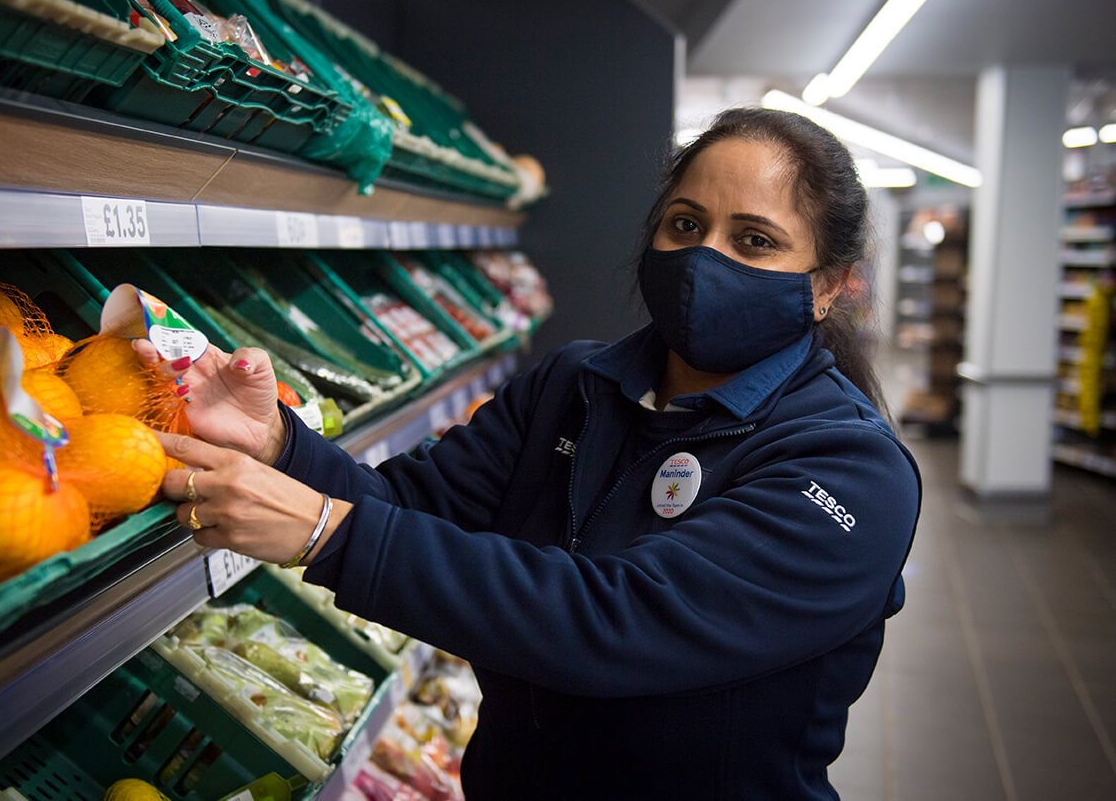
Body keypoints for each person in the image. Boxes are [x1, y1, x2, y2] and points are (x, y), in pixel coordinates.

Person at [141, 107, 922, 799]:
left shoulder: (848, 472)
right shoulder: (575, 385)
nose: (704, 260)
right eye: (685, 225)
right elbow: (412, 509)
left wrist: (327, 532)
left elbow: (617, 621)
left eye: (754, 241)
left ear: (828, 287)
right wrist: (281, 444)